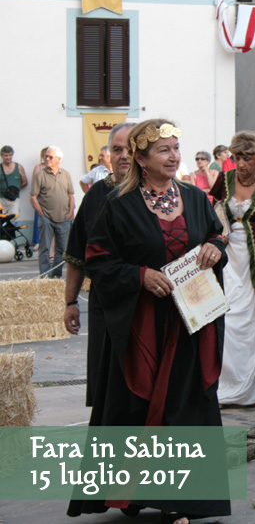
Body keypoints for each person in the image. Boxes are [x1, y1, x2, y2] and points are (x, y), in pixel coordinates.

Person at [68, 119, 230, 522]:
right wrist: (140, 276)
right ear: (140, 159)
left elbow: (216, 237)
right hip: (144, 327)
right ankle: (132, 495)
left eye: (176, 148)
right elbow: (99, 262)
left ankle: (182, 498)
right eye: (164, 150)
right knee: (139, 405)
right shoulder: (117, 207)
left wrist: (214, 250)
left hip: (191, 322)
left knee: (185, 405)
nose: (174, 156)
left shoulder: (195, 198)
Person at [63, 121, 135, 407]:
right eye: (117, 149)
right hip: (105, 301)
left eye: (130, 149)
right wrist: (70, 302)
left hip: (146, 299)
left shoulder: (156, 195)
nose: (124, 156)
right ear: (108, 154)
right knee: (106, 376)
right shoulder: (96, 195)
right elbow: (76, 254)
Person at [208, 131, 255, 407]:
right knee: (226, 315)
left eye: (247, 158)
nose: (242, 164)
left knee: (252, 319)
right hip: (227, 258)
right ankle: (223, 383)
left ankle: (251, 387)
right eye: (237, 157)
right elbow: (212, 210)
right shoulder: (224, 181)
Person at [30, 146, 74, 278]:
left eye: (50, 157)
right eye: (46, 156)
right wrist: (41, 214)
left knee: (62, 250)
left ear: (59, 159)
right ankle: (45, 276)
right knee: (45, 248)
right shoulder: (40, 175)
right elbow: (33, 197)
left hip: (63, 218)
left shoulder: (65, 174)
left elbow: (71, 195)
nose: (47, 159)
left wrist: (70, 213)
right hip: (46, 218)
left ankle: (56, 276)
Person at [0, 145, 27, 217]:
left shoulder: (19, 167)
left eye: (10, 155)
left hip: (14, 199)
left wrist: (14, 190)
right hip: (1, 198)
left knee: (13, 218)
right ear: (2, 156)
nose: (8, 157)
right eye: (6, 155)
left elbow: (25, 182)